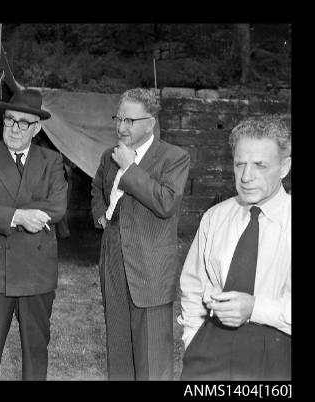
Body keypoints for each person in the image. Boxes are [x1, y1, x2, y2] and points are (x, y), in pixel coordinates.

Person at [0, 88, 68, 381]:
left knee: (36, 354)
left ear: (36, 128)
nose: (15, 129)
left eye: (23, 123)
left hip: (36, 272)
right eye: (9, 120)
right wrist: (18, 216)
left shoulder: (52, 161)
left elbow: (57, 207)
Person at [178, 114, 291, 381]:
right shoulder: (215, 217)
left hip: (278, 355)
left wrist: (254, 308)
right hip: (208, 354)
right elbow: (193, 285)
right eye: (240, 164)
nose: (247, 176)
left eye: (260, 165)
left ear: (285, 167)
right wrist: (192, 339)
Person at [91, 88, 190, 380]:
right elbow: (97, 187)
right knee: (119, 350)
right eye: (118, 119)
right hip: (113, 260)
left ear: (151, 122)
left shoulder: (174, 157)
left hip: (151, 269)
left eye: (130, 121)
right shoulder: (109, 156)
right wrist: (102, 216)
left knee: (152, 360)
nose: (121, 127)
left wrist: (131, 168)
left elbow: (166, 202)